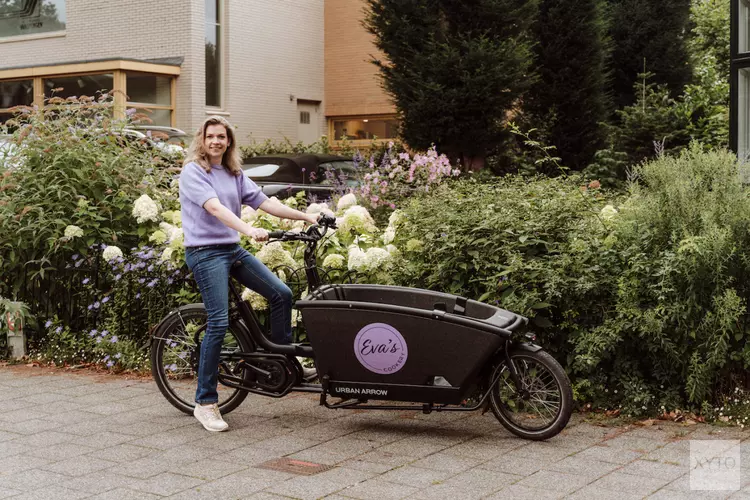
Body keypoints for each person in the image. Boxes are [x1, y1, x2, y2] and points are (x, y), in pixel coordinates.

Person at [179, 116, 319, 432]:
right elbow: (214, 208)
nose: (216, 141)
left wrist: (305, 216)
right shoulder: (193, 172)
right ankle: (205, 402)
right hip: (205, 253)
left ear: (229, 142)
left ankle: (279, 361)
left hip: (231, 250)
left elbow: (266, 203)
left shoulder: (234, 173)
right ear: (201, 140)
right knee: (219, 322)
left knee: (281, 294)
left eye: (222, 137)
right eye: (210, 136)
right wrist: (246, 229)